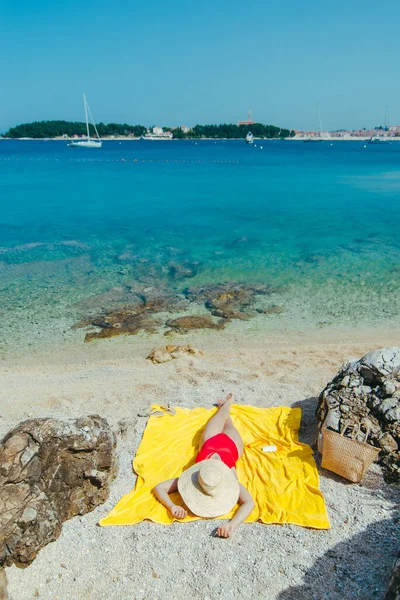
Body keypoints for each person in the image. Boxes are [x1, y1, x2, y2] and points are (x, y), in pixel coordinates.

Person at [153, 393, 255, 538]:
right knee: (226, 420)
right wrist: (172, 506)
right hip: (227, 446)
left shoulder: (228, 480)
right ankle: (225, 406)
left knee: (225, 417)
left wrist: (232, 525)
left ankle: (228, 403)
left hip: (215, 442)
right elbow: (158, 488)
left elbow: (250, 503)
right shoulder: (198, 476)